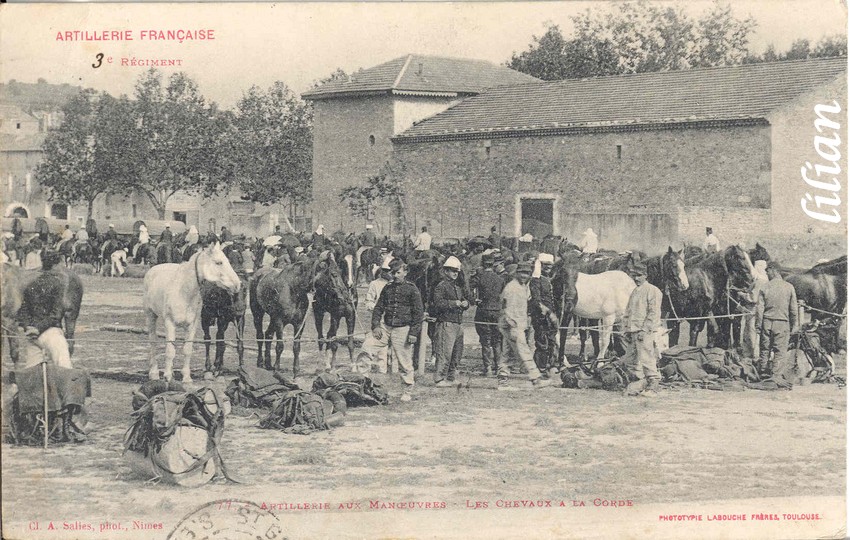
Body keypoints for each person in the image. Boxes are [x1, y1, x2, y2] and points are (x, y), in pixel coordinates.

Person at [371, 258, 424, 402]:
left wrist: (413, 333)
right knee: (367, 349)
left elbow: (418, 314)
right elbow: (378, 308)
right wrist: (375, 325)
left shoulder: (412, 289)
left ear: (405, 272)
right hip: (386, 327)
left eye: (398, 272)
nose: (394, 276)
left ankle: (407, 390)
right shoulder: (387, 288)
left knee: (404, 361)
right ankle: (363, 384)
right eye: (393, 273)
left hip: (403, 329)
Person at [15, 249, 73, 369]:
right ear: (56, 264)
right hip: (51, 333)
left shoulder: (31, 283)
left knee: (31, 374)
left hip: (32, 336)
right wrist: (38, 328)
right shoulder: (59, 283)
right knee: (65, 368)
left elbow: (22, 311)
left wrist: (28, 327)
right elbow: (56, 314)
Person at [498, 261, 551, 390]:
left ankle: (502, 381)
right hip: (512, 325)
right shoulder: (512, 288)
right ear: (516, 273)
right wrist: (513, 325)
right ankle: (536, 379)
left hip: (515, 324)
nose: (524, 275)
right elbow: (505, 308)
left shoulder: (522, 286)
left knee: (507, 353)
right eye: (522, 273)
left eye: (527, 273)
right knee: (525, 352)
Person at [622, 261, 663, 397]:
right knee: (630, 360)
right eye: (634, 275)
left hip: (644, 332)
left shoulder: (652, 291)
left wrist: (644, 330)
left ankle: (653, 385)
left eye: (639, 275)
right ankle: (639, 383)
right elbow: (628, 312)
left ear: (645, 275)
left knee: (647, 358)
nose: (636, 278)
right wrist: (626, 330)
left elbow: (653, 313)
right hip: (632, 331)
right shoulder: (634, 291)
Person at [756, 261, 798, 379]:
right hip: (782, 323)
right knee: (780, 351)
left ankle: (763, 373)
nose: (766, 274)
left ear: (774, 270)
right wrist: (795, 325)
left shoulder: (765, 287)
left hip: (767, 322)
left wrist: (758, 325)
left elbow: (759, 309)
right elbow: (793, 309)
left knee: (764, 349)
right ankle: (776, 375)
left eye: (767, 271)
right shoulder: (789, 287)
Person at [432, 256, 470, 387]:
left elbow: (465, 300)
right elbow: (437, 303)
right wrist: (455, 303)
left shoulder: (457, 287)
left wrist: (466, 303)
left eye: (457, 271)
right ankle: (439, 378)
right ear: (446, 271)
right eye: (452, 270)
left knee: (457, 352)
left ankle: (450, 376)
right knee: (444, 352)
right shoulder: (441, 286)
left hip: (457, 322)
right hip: (446, 322)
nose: (455, 273)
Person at [470, 253, 505, 377]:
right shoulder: (500, 279)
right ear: (493, 264)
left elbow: (469, 289)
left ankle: (488, 368)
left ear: (483, 264)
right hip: (497, 311)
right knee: (497, 341)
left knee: (485, 341)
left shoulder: (479, 277)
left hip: (483, 310)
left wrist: (474, 300)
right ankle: (499, 368)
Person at [360, 258, 393, 373]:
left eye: (390, 271)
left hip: (393, 320)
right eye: (385, 271)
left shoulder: (395, 284)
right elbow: (368, 301)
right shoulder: (375, 284)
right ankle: (376, 370)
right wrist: (377, 309)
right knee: (377, 346)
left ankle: (388, 369)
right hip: (379, 319)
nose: (387, 273)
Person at [530, 253, 559, 377]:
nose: (548, 268)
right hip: (541, 317)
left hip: (550, 317)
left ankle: (548, 365)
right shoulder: (536, 280)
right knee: (542, 342)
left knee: (551, 341)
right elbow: (536, 301)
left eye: (550, 265)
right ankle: (540, 368)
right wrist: (549, 313)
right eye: (545, 265)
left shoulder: (548, 279)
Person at [742, 260, 769, 359]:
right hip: (760, 309)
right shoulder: (766, 280)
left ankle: (752, 354)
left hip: (753, 310)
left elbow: (753, 298)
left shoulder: (759, 282)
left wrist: (742, 295)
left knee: (751, 331)